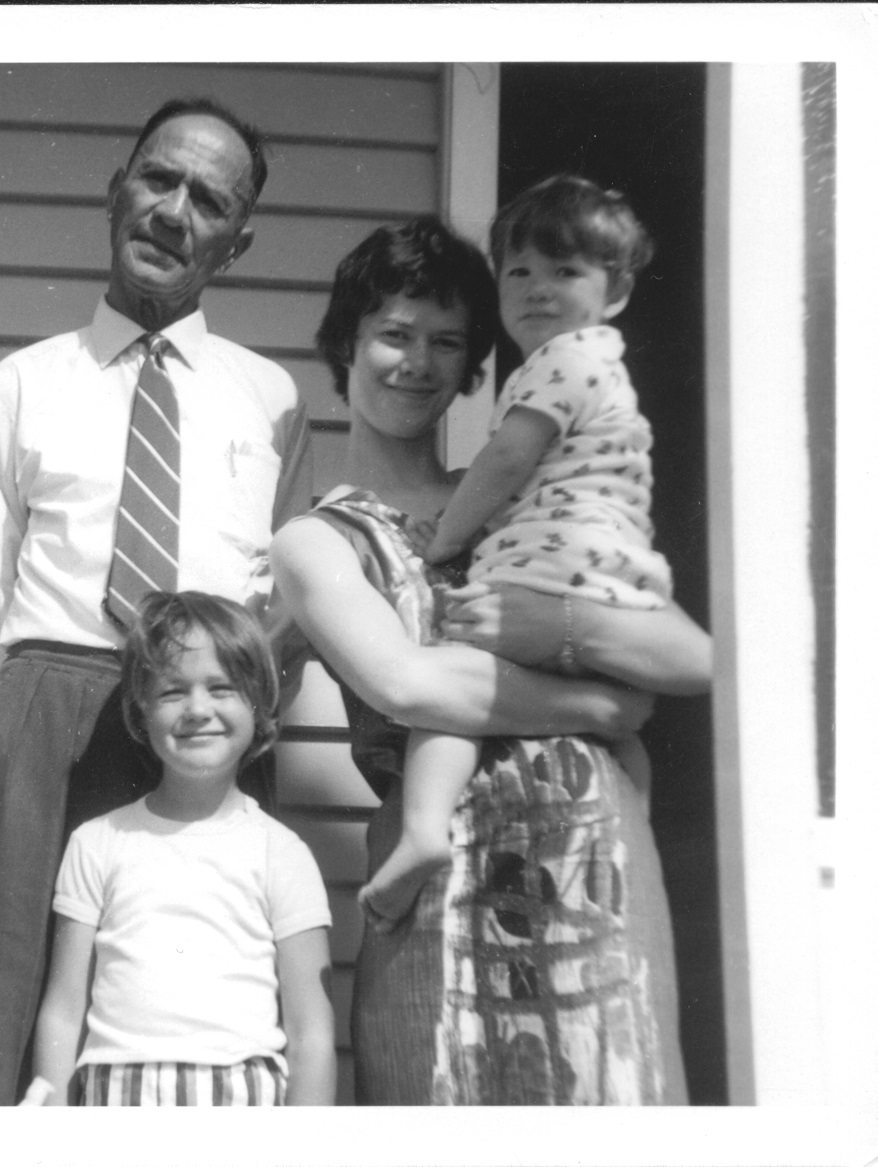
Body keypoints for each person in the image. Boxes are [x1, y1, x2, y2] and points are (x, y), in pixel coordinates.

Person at [268, 216, 711, 1104]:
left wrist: (555, 631)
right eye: (394, 334)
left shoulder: (523, 494)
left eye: (448, 342)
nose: (419, 362)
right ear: (344, 346)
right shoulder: (316, 540)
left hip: (593, 855)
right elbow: (408, 682)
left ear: (477, 367)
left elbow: (692, 656)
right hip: (439, 875)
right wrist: (595, 705)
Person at [0, 96, 314, 1104]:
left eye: (208, 199)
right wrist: (36, 711)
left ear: (237, 240)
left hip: (201, 725)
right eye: (159, 179)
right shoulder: (20, 386)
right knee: (5, 998)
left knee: (185, 998)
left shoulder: (270, 399)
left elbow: (280, 601)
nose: (174, 211)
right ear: (118, 190)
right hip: (49, 706)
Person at [360, 176, 683, 929]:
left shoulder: (560, 364)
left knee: (451, 689)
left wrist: (447, 536)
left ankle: (421, 830)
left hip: (552, 567)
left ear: (618, 290)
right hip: (611, 577)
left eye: (564, 271)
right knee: (627, 736)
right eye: (520, 271)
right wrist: (605, 705)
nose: (538, 289)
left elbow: (503, 462)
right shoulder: (600, 367)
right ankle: (639, 825)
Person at [31, 591, 334, 1106]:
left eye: (221, 688)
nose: (198, 710)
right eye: (173, 692)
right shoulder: (98, 842)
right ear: (140, 711)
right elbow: (63, 1009)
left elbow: (311, 1031)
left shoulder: (281, 853)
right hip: (116, 1098)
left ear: (258, 706)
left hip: (240, 1098)